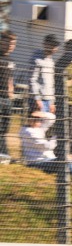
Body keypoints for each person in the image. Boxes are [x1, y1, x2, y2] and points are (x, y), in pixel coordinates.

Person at [21, 111, 72, 193]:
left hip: (49, 159)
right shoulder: (28, 132)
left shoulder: (37, 128)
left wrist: (42, 113)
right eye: (36, 119)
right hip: (38, 162)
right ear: (30, 120)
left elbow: (52, 118)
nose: (40, 121)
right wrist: (58, 136)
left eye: (40, 119)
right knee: (66, 159)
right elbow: (48, 146)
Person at [29, 34, 61, 114]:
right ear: (45, 44)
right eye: (52, 45)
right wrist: (37, 99)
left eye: (56, 46)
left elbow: (51, 83)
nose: (54, 48)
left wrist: (52, 102)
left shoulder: (51, 61)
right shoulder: (36, 59)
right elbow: (32, 80)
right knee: (36, 125)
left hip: (48, 100)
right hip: (38, 100)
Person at [0, 31, 17, 162]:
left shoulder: (10, 60)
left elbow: (10, 77)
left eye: (13, 43)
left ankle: (4, 154)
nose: (11, 46)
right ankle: (4, 154)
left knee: (5, 128)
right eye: (9, 42)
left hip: (7, 99)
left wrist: (11, 91)